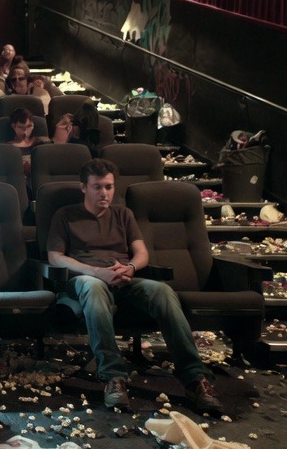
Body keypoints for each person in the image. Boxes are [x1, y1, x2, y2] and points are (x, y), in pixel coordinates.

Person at [47, 159, 222, 413]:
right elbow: (55, 256)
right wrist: (97, 272)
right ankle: (113, 376)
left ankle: (195, 378)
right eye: (97, 187)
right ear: (83, 187)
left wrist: (129, 268)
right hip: (84, 278)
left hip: (123, 276)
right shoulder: (65, 215)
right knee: (93, 287)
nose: (104, 193)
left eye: (109, 186)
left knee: (163, 291)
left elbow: (141, 253)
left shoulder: (123, 214)